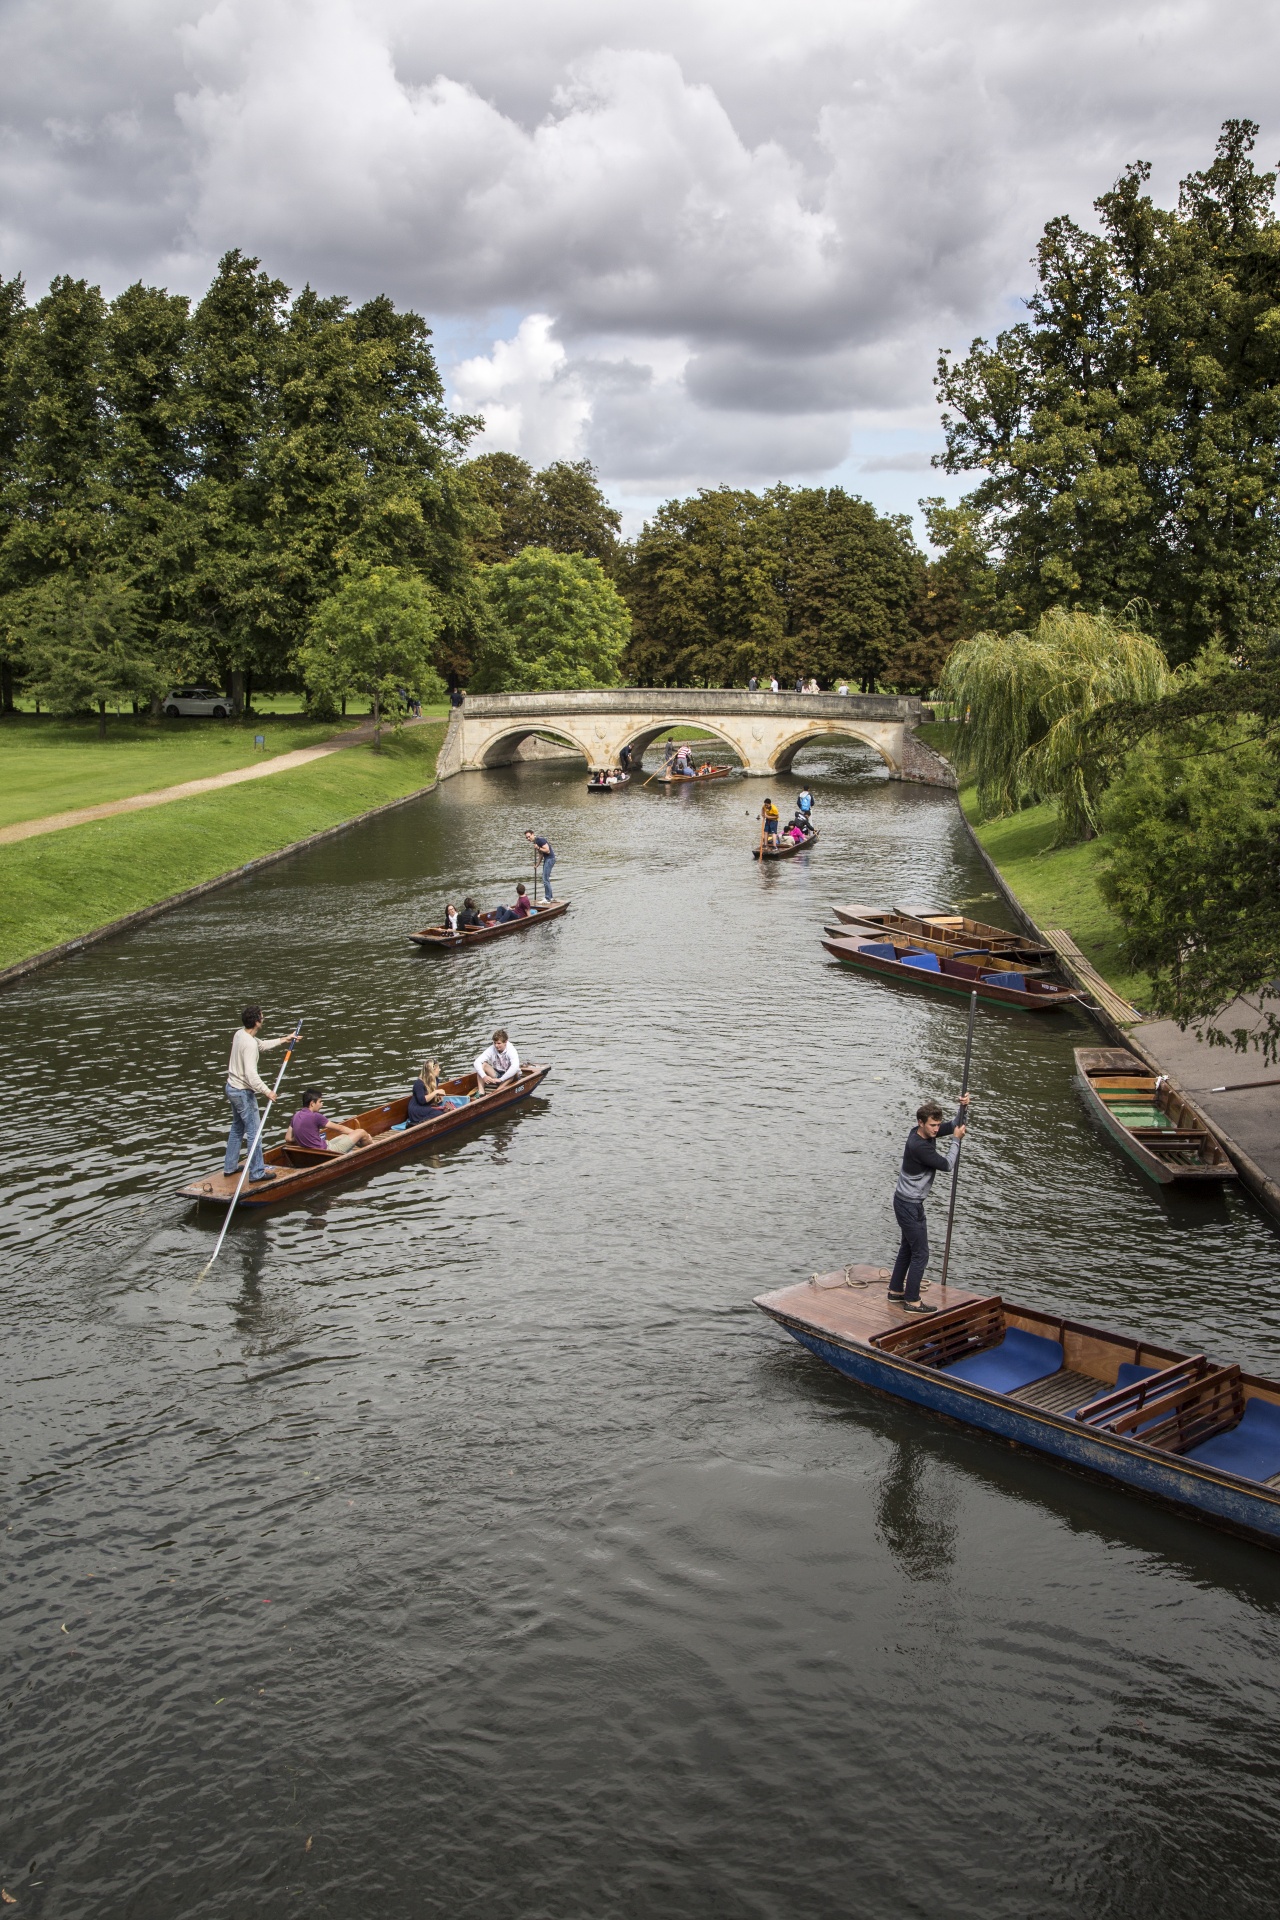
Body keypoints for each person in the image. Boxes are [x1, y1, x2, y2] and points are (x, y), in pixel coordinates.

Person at [888, 1096, 971, 1313]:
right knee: (921, 1253)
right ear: (921, 1123)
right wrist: (956, 1140)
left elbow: (954, 1125)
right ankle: (912, 1301)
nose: (936, 1129)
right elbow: (948, 1164)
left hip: (908, 1202)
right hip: (909, 1205)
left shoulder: (922, 1133)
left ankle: (896, 1291)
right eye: (932, 1125)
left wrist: (963, 1107)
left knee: (908, 1247)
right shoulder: (919, 1147)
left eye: (937, 1125)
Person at [223, 1005, 296, 1185]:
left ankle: (230, 1167)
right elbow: (251, 1075)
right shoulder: (247, 1043)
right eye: (262, 1017)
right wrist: (267, 1091)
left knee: (237, 1128)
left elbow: (261, 1045)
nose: (263, 1019)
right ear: (256, 1022)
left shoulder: (240, 1034)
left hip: (231, 1088)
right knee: (255, 1133)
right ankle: (256, 1172)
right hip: (242, 1092)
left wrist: (284, 1039)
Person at [287, 1088, 372, 1155]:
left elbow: (288, 1138)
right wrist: (359, 1133)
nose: (322, 1104)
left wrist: (304, 1135)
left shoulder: (296, 1115)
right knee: (361, 1132)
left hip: (314, 1151)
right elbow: (340, 1128)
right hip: (326, 1151)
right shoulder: (316, 1116)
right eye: (320, 1102)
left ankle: (363, 1144)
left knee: (344, 1136)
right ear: (312, 1103)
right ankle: (372, 1146)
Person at [474, 1028, 521, 1095]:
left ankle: (496, 1093)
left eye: (499, 1043)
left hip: (511, 1077)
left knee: (512, 1073)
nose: (496, 1046)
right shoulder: (492, 1048)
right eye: (495, 1043)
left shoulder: (511, 1050)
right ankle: (481, 1092)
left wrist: (501, 1079)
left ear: (505, 1042)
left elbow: (515, 1067)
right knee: (483, 1065)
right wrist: (484, 1076)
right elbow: (477, 1062)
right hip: (498, 1074)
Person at [406, 1061, 448, 1126]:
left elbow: (430, 1096)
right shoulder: (419, 1083)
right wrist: (436, 1092)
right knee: (438, 1114)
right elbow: (422, 1100)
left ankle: (424, 1121)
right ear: (432, 1070)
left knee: (443, 1111)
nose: (440, 1070)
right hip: (416, 1109)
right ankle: (415, 1124)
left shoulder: (436, 1080)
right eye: (438, 1068)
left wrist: (438, 1098)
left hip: (426, 1106)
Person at [525, 830, 555, 900]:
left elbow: (547, 850)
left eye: (529, 837)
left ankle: (548, 898)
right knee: (545, 879)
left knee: (545, 879)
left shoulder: (540, 840)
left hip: (550, 859)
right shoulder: (535, 842)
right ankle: (550, 897)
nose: (528, 839)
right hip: (547, 859)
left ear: (533, 834)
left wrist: (538, 848)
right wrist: (537, 865)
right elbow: (541, 854)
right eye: (527, 838)